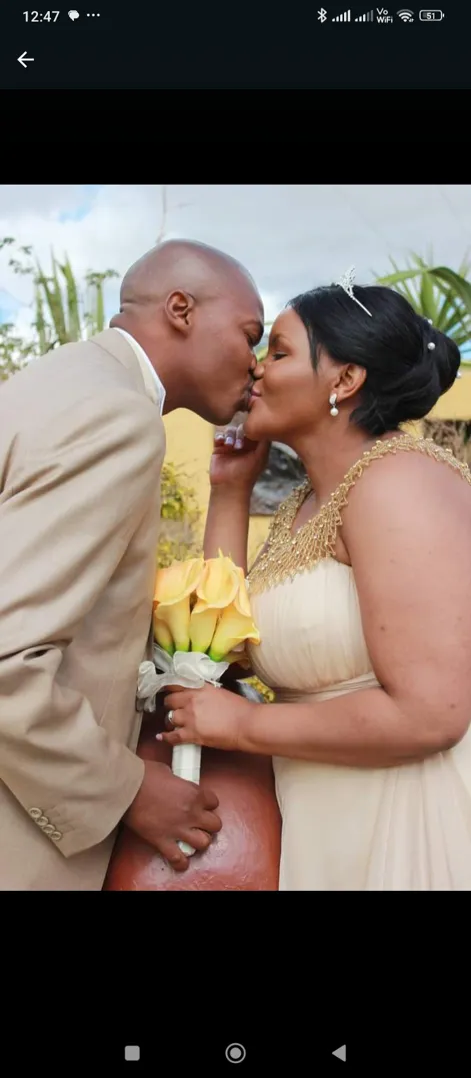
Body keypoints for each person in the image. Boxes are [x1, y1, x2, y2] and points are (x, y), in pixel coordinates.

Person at [159, 271, 471, 890]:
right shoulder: (306, 502)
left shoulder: (399, 483)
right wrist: (230, 491)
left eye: (278, 352)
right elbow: (225, 645)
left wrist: (244, 727)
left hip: (408, 819)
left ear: (344, 379)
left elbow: (433, 714)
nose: (256, 368)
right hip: (324, 818)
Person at [0, 238, 264, 890]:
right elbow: (8, 656)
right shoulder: (117, 418)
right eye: (249, 335)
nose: (255, 365)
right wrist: (128, 790)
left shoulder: (54, 383)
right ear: (181, 309)